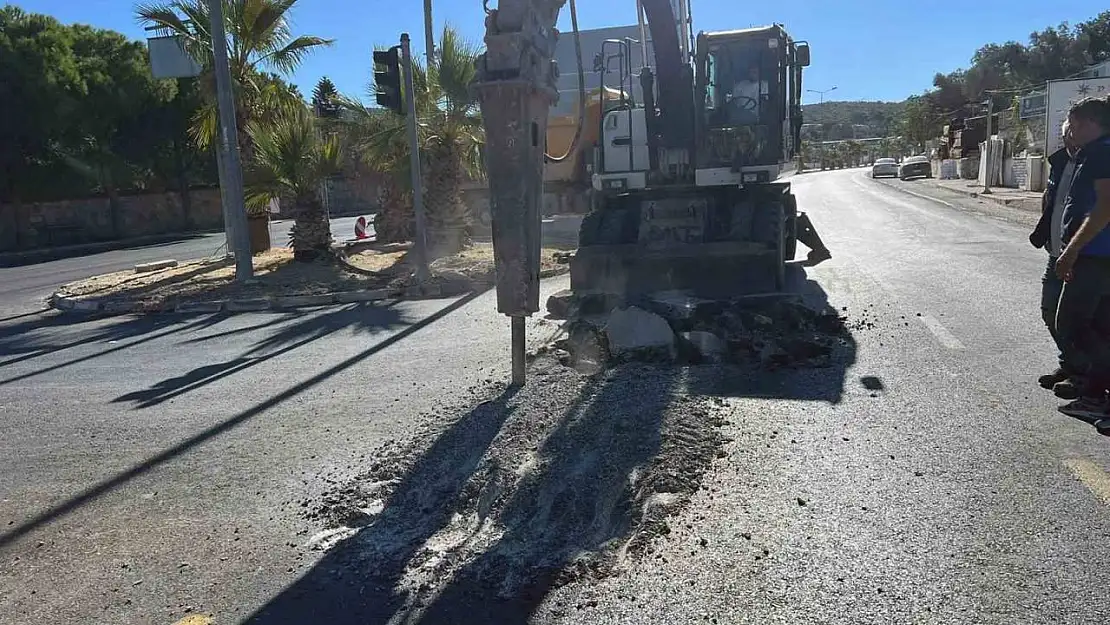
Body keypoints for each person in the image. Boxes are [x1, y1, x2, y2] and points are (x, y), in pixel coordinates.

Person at [1049, 97, 1110, 425]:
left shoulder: (1100, 152)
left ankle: (1097, 394)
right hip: (1098, 255)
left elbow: (1104, 208)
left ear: (1089, 124)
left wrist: (1071, 251)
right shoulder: (1096, 152)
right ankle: (1095, 397)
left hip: (1096, 255)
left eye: (1073, 125)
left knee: (1072, 325)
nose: (1070, 132)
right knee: (1100, 327)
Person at [1031, 120, 1081, 398]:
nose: (1068, 139)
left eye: (1074, 131)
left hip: (1085, 254)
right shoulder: (1061, 162)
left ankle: (1087, 377)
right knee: (1051, 311)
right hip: (1057, 252)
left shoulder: (1096, 163)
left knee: (1079, 318)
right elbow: (1052, 200)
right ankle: (1071, 365)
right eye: (1066, 134)